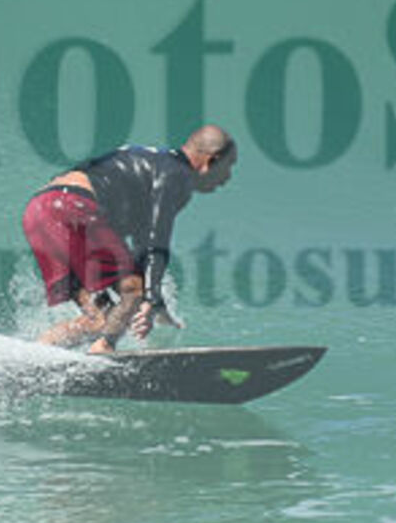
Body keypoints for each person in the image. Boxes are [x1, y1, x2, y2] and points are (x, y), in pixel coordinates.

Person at [20, 124, 237, 354]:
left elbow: (143, 245)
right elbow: (156, 240)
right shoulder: (177, 174)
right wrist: (150, 298)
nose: (227, 178)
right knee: (132, 291)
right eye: (229, 167)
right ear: (211, 161)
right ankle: (104, 348)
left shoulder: (153, 162)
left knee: (99, 319)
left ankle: (36, 354)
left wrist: (156, 300)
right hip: (73, 207)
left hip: (39, 210)